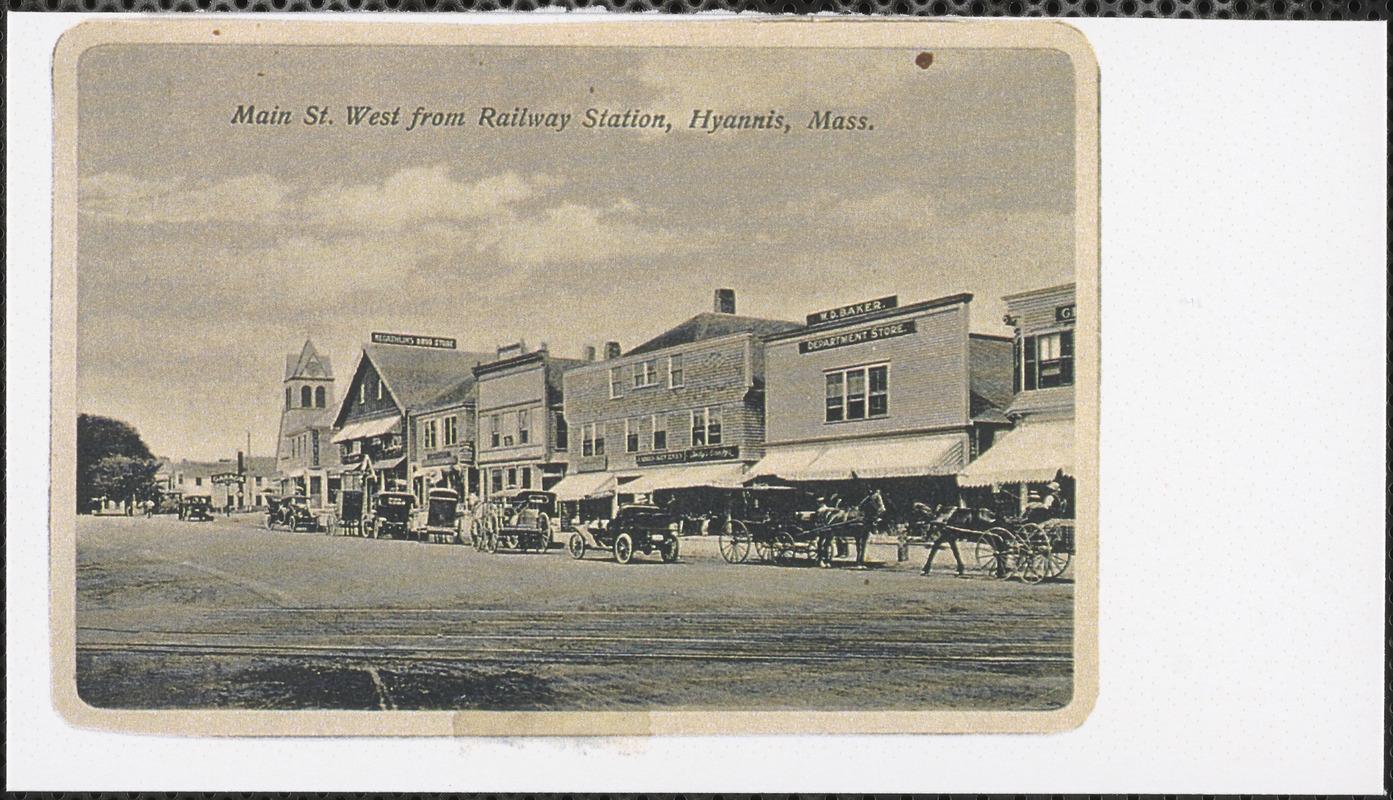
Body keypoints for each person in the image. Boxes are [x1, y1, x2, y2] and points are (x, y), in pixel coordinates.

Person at [921, 503, 968, 577]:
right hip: (949, 531)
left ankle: (927, 567)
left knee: (937, 546)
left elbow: (940, 521)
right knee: (953, 547)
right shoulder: (949, 510)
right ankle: (960, 566)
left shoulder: (947, 511)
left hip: (948, 531)